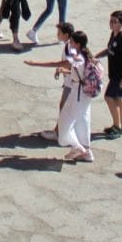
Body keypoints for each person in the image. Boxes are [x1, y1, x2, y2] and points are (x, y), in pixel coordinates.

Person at [26, 29, 97, 162]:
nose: (70, 44)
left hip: (78, 94)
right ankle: (87, 152)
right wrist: (65, 70)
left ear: (77, 44)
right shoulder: (87, 56)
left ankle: (78, 148)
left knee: (65, 122)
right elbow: (77, 71)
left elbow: (71, 68)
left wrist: (36, 64)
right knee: (83, 122)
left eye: (72, 42)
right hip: (84, 95)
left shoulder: (79, 58)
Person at [95, 10, 122, 139]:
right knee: (118, 98)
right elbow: (110, 50)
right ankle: (119, 125)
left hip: (120, 75)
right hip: (114, 73)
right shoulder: (114, 35)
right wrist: (96, 57)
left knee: (109, 97)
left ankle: (117, 126)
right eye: (111, 21)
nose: (111, 24)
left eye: (115, 22)